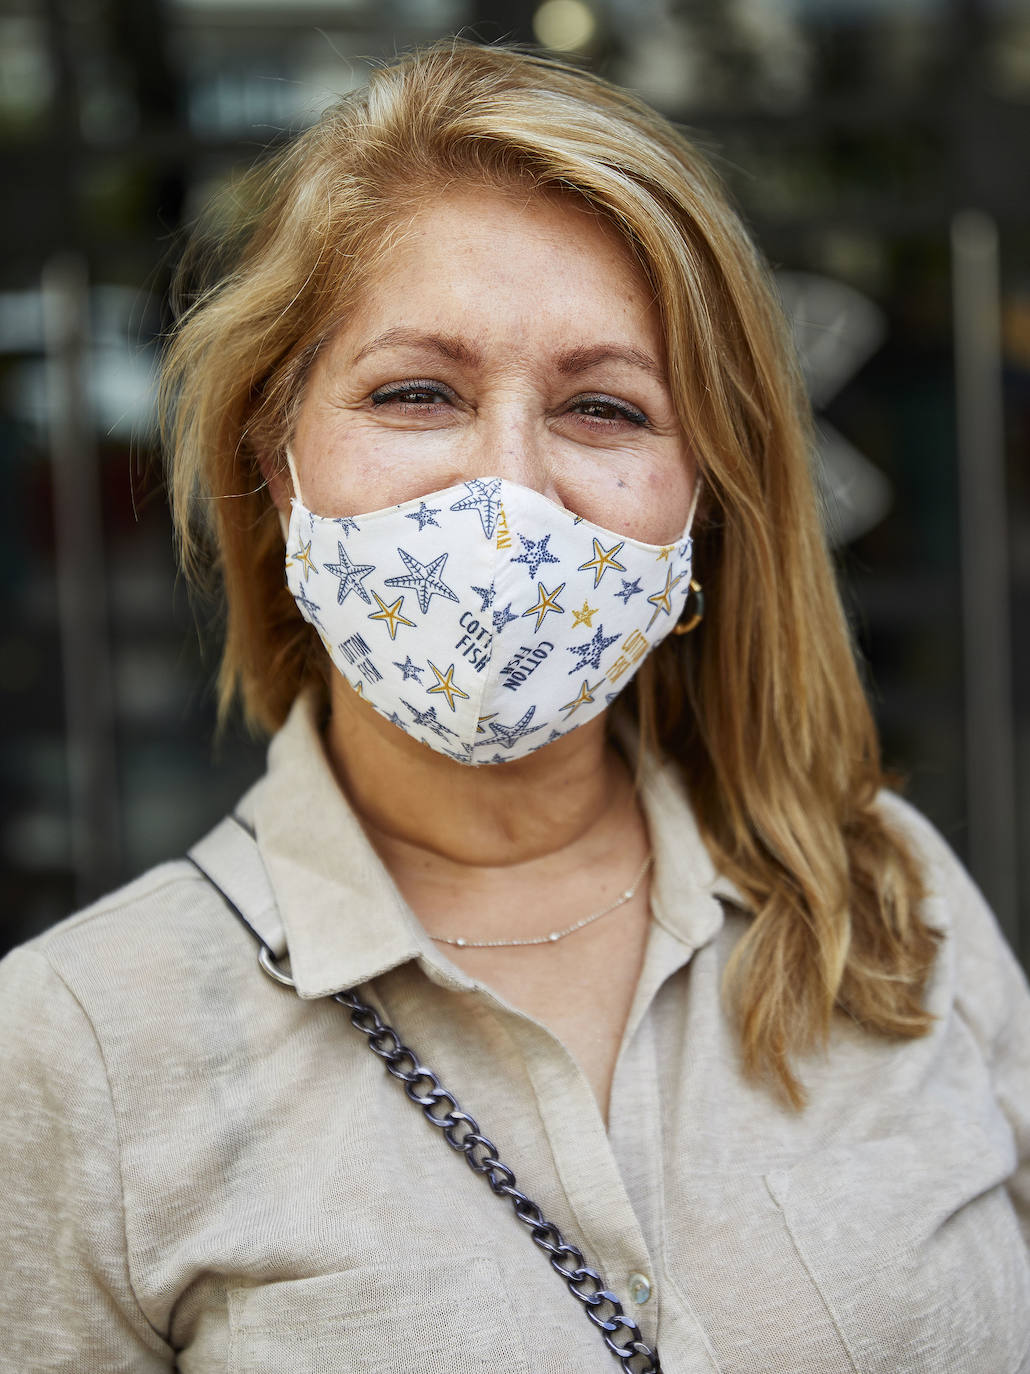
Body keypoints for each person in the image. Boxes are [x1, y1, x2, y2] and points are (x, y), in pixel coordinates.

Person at [1, 41, 1027, 1374]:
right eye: (416, 391)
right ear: (278, 452)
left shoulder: (887, 904)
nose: (512, 488)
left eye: (603, 407)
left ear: (699, 501)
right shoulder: (75, 1040)